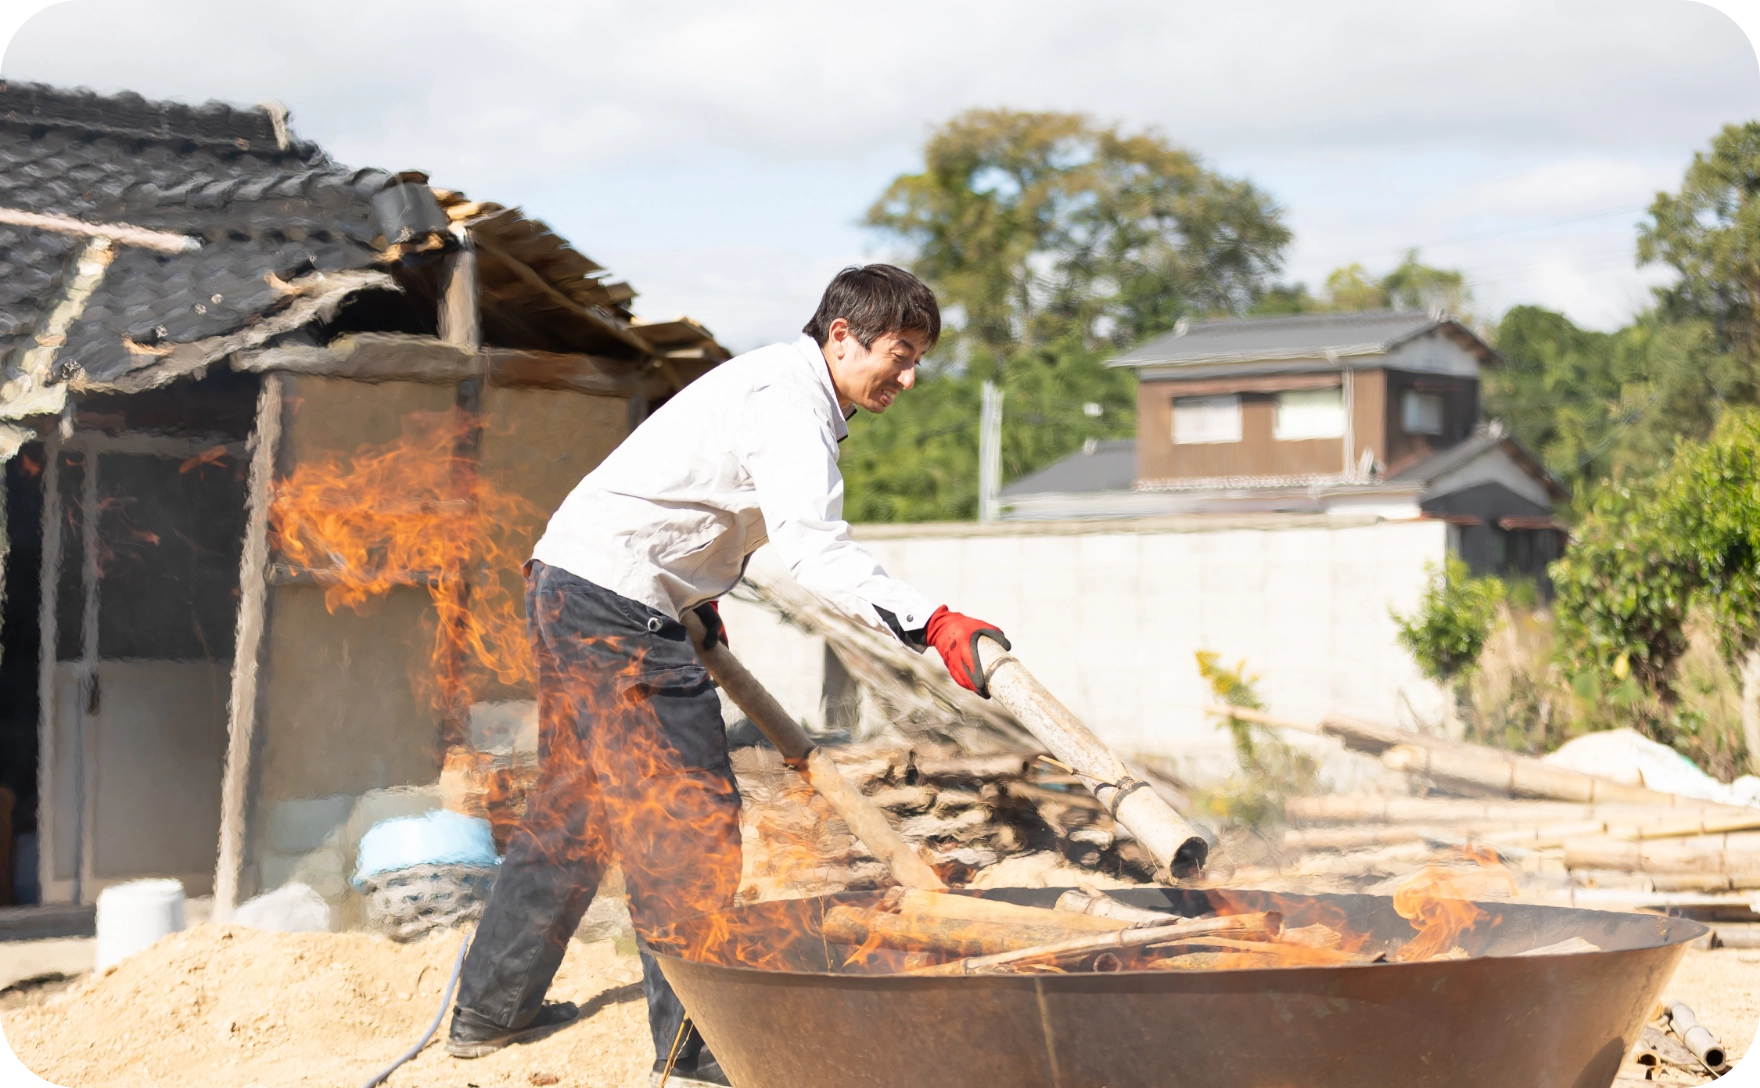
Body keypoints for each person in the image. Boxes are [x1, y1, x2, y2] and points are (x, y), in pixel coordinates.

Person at [445, 264, 1010, 1087]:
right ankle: (697, 1048)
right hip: (616, 611)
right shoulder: (789, 404)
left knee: (576, 815)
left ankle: (488, 1013)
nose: (910, 377)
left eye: (920, 358)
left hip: (578, 588)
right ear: (842, 335)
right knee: (686, 829)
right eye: (900, 353)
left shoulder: (777, 385)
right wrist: (933, 623)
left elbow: (694, 501)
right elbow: (815, 549)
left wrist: (698, 596)